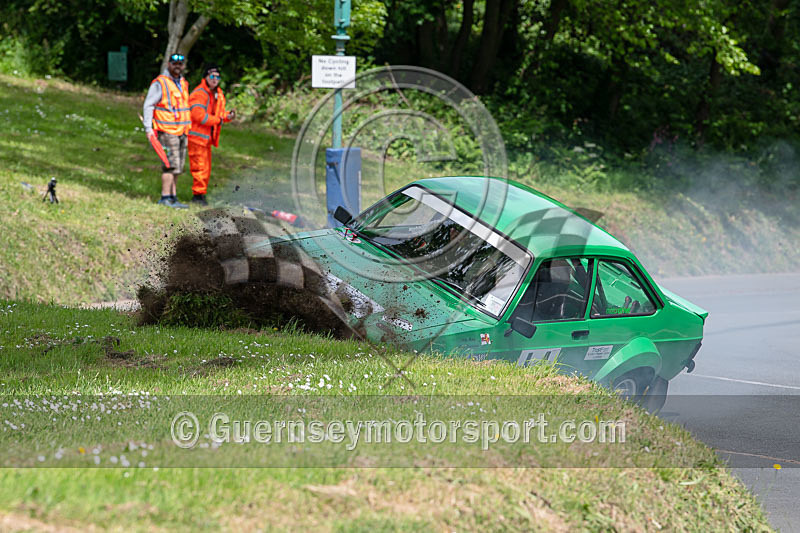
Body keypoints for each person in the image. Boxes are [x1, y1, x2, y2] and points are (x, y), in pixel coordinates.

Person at [142, 53, 191, 208]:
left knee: (178, 167)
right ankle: (165, 198)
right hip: (167, 130)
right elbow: (148, 105)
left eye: (181, 63)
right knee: (169, 165)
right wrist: (149, 129)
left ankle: (173, 197)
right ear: (169, 64)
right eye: (174, 63)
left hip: (182, 130)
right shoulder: (160, 83)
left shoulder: (182, 82)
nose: (178, 66)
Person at [188, 63, 235, 206]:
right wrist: (219, 120)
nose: (215, 79)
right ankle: (198, 196)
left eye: (218, 77)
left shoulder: (217, 94)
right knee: (199, 167)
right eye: (212, 76)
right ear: (206, 77)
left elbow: (217, 114)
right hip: (197, 138)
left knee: (206, 169)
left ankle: (201, 194)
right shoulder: (199, 94)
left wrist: (227, 116)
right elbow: (199, 116)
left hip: (207, 139)